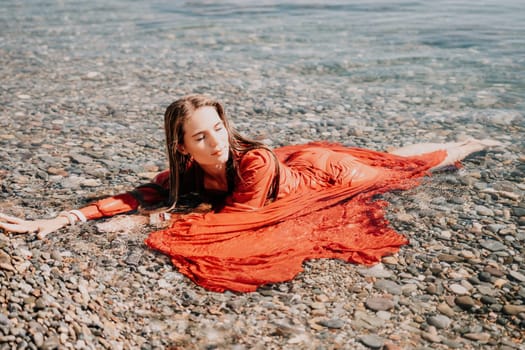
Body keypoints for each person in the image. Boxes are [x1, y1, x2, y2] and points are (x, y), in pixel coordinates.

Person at [0, 94, 502, 292]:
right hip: (302, 170)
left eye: (217, 129)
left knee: (401, 165)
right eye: (201, 137)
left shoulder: (253, 161)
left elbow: (240, 219)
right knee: (387, 153)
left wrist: (152, 221)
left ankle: (471, 144)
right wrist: (65, 218)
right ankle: (459, 143)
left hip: (328, 177)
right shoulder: (186, 171)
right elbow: (139, 195)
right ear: (182, 146)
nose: (215, 143)